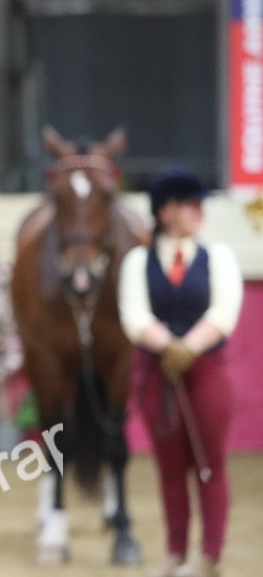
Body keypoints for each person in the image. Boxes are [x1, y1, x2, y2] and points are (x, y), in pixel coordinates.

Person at [118, 166, 242, 577]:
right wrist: (165, 347)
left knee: (209, 463)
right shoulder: (139, 261)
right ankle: (175, 552)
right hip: (159, 376)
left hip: (205, 371)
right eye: (190, 205)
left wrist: (187, 348)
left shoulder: (216, 257)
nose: (198, 212)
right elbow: (134, 314)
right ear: (166, 211)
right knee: (170, 468)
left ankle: (208, 555)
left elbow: (223, 311)